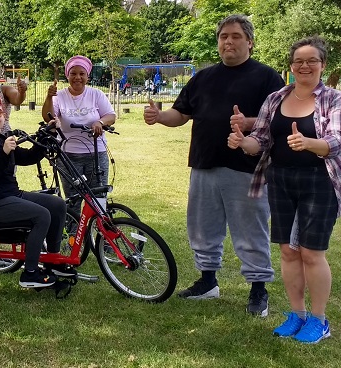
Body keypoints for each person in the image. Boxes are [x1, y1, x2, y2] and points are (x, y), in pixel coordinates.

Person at [143, 14, 284, 316]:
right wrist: (159, 117)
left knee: (250, 230)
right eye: (223, 36)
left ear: (249, 41)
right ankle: (208, 282)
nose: (228, 41)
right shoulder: (203, 78)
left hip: (247, 168)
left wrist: (250, 123)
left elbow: (282, 122)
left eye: (235, 36)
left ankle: (259, 290)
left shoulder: (267, 78)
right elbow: (180, 114)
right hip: (204, 165)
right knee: (202, 228)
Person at [228, 36, 341, 343]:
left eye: (311, 61)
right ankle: (297, 315)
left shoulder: (332, 99)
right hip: (280, 180)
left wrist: (309, 144)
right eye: (299, 61)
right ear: (291, 66)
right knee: (289, 252)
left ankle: (319, 320)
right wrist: (242, 142)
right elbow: (261, 141)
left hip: (319, 182)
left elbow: (336, 142)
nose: (304, 66)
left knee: (311, 253)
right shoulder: (276, 97)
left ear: (322, 65)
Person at [0, 93, 72, 287]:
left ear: (4, 116)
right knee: (42, 215)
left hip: (11, 196)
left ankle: (51, 261)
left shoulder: (3, 138)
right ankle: (30, 273)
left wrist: (46, 137)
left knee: (57, 204)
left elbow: (28, 158)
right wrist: (4, 153)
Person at [42, 55, 116, 214]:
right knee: (73, 199)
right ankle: (74, 236)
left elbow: (111, 115)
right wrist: (49, 96)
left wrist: (100, 122)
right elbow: (48, 116)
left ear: (87, 76)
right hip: (68, 155)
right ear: (67, 75)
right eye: (73, 73)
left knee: (98, 197)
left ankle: (98, 234)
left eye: (82, 74)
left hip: (96, 153)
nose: (77, 77)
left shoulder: (96, 94)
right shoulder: (59, 96)